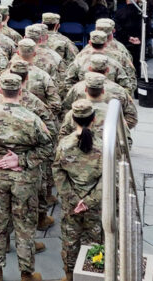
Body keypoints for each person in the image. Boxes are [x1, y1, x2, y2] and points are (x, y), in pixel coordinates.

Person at [0, 72, 54, 281]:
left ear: (0, 91)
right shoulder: (31, 118)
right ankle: (26, 273)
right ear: (20, 91)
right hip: (24, 179)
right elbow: (48, 146)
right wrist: (21, 160)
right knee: (25, 225)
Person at [53, 98, 103, 281]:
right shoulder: (103, 146)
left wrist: (74, 199)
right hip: (95, 206)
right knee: (95, 242)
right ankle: (93, 275)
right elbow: (108, 179)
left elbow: (58, 172)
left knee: (70, 241)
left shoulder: (65, 145)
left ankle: (69, 276)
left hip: (71, 205)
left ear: (73, 120)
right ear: (94, 119)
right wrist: (89, 201)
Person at [112, 0, 144, 77]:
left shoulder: (119, 12)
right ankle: (136, 80)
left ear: (126, 0)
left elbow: (117, 27)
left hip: (123, 42)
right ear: (137, 0)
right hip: (138, 44)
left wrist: (128, 37)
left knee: (122, 63)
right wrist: (139, 38)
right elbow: (146, 28)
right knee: (136, 63)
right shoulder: (142, 13)